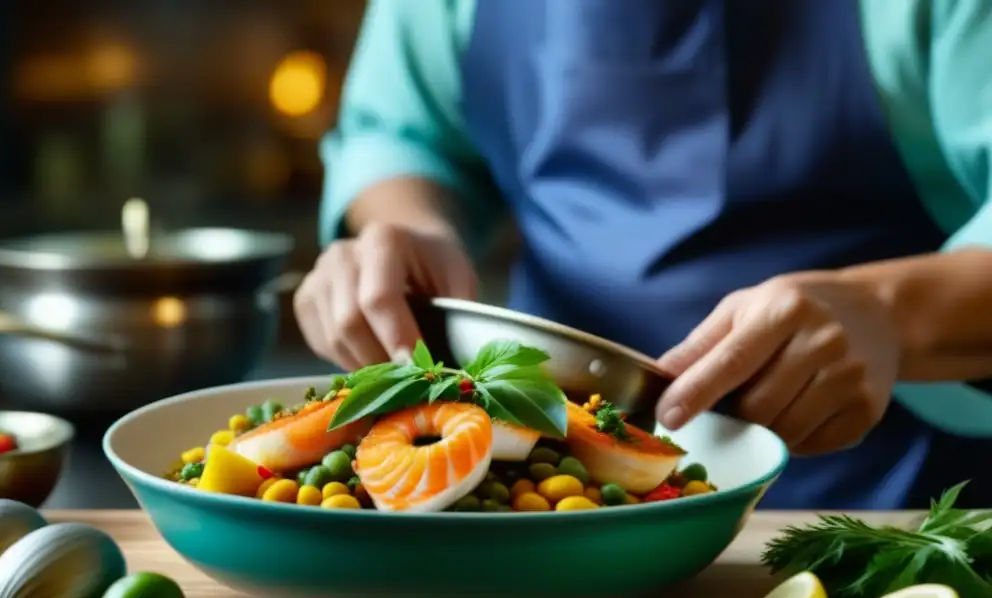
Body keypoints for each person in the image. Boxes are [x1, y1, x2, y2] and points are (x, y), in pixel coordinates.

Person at [294, 0, 992, 511]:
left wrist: (889, 314)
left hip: (897, 508)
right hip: (549, 504)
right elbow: (407, 134)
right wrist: (409, 227)